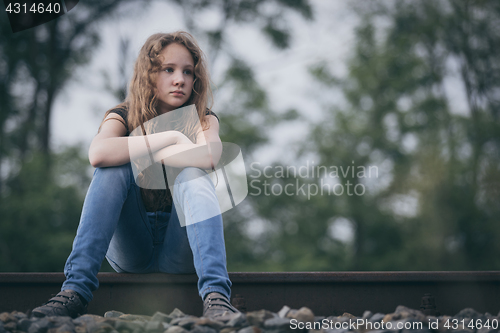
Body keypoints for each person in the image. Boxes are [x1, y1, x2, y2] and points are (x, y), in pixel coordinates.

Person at [32, 31, 239, 319]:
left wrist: (142, 150)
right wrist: (169, 137)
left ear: (195, 79)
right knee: (112, 168)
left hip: (179, 249)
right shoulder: (123, 114)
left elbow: (209, 156)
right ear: (149, 74)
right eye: (169, 69)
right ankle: (75, 291)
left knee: (194, 173)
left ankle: (217, 296)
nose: (179, 79)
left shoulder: (203, 117)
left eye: (188, 72)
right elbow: (98, 154)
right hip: (132, 249)